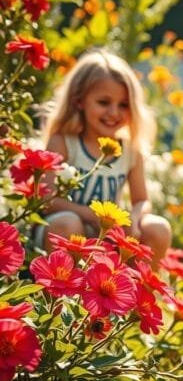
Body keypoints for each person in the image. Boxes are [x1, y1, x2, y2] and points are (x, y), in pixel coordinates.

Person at [38, 49, 171, 265]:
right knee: (69, 223)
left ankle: (140, 295)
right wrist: (92, 215)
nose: (114, 113)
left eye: (123, 105)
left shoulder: (130, 150)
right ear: (79, 101)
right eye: (103, 102)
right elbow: (47, 201)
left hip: (104, 238)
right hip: (61, 231)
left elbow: (142, 200)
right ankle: (57, 295)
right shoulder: (63, 142)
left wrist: (134, 218)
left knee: (157, 228)